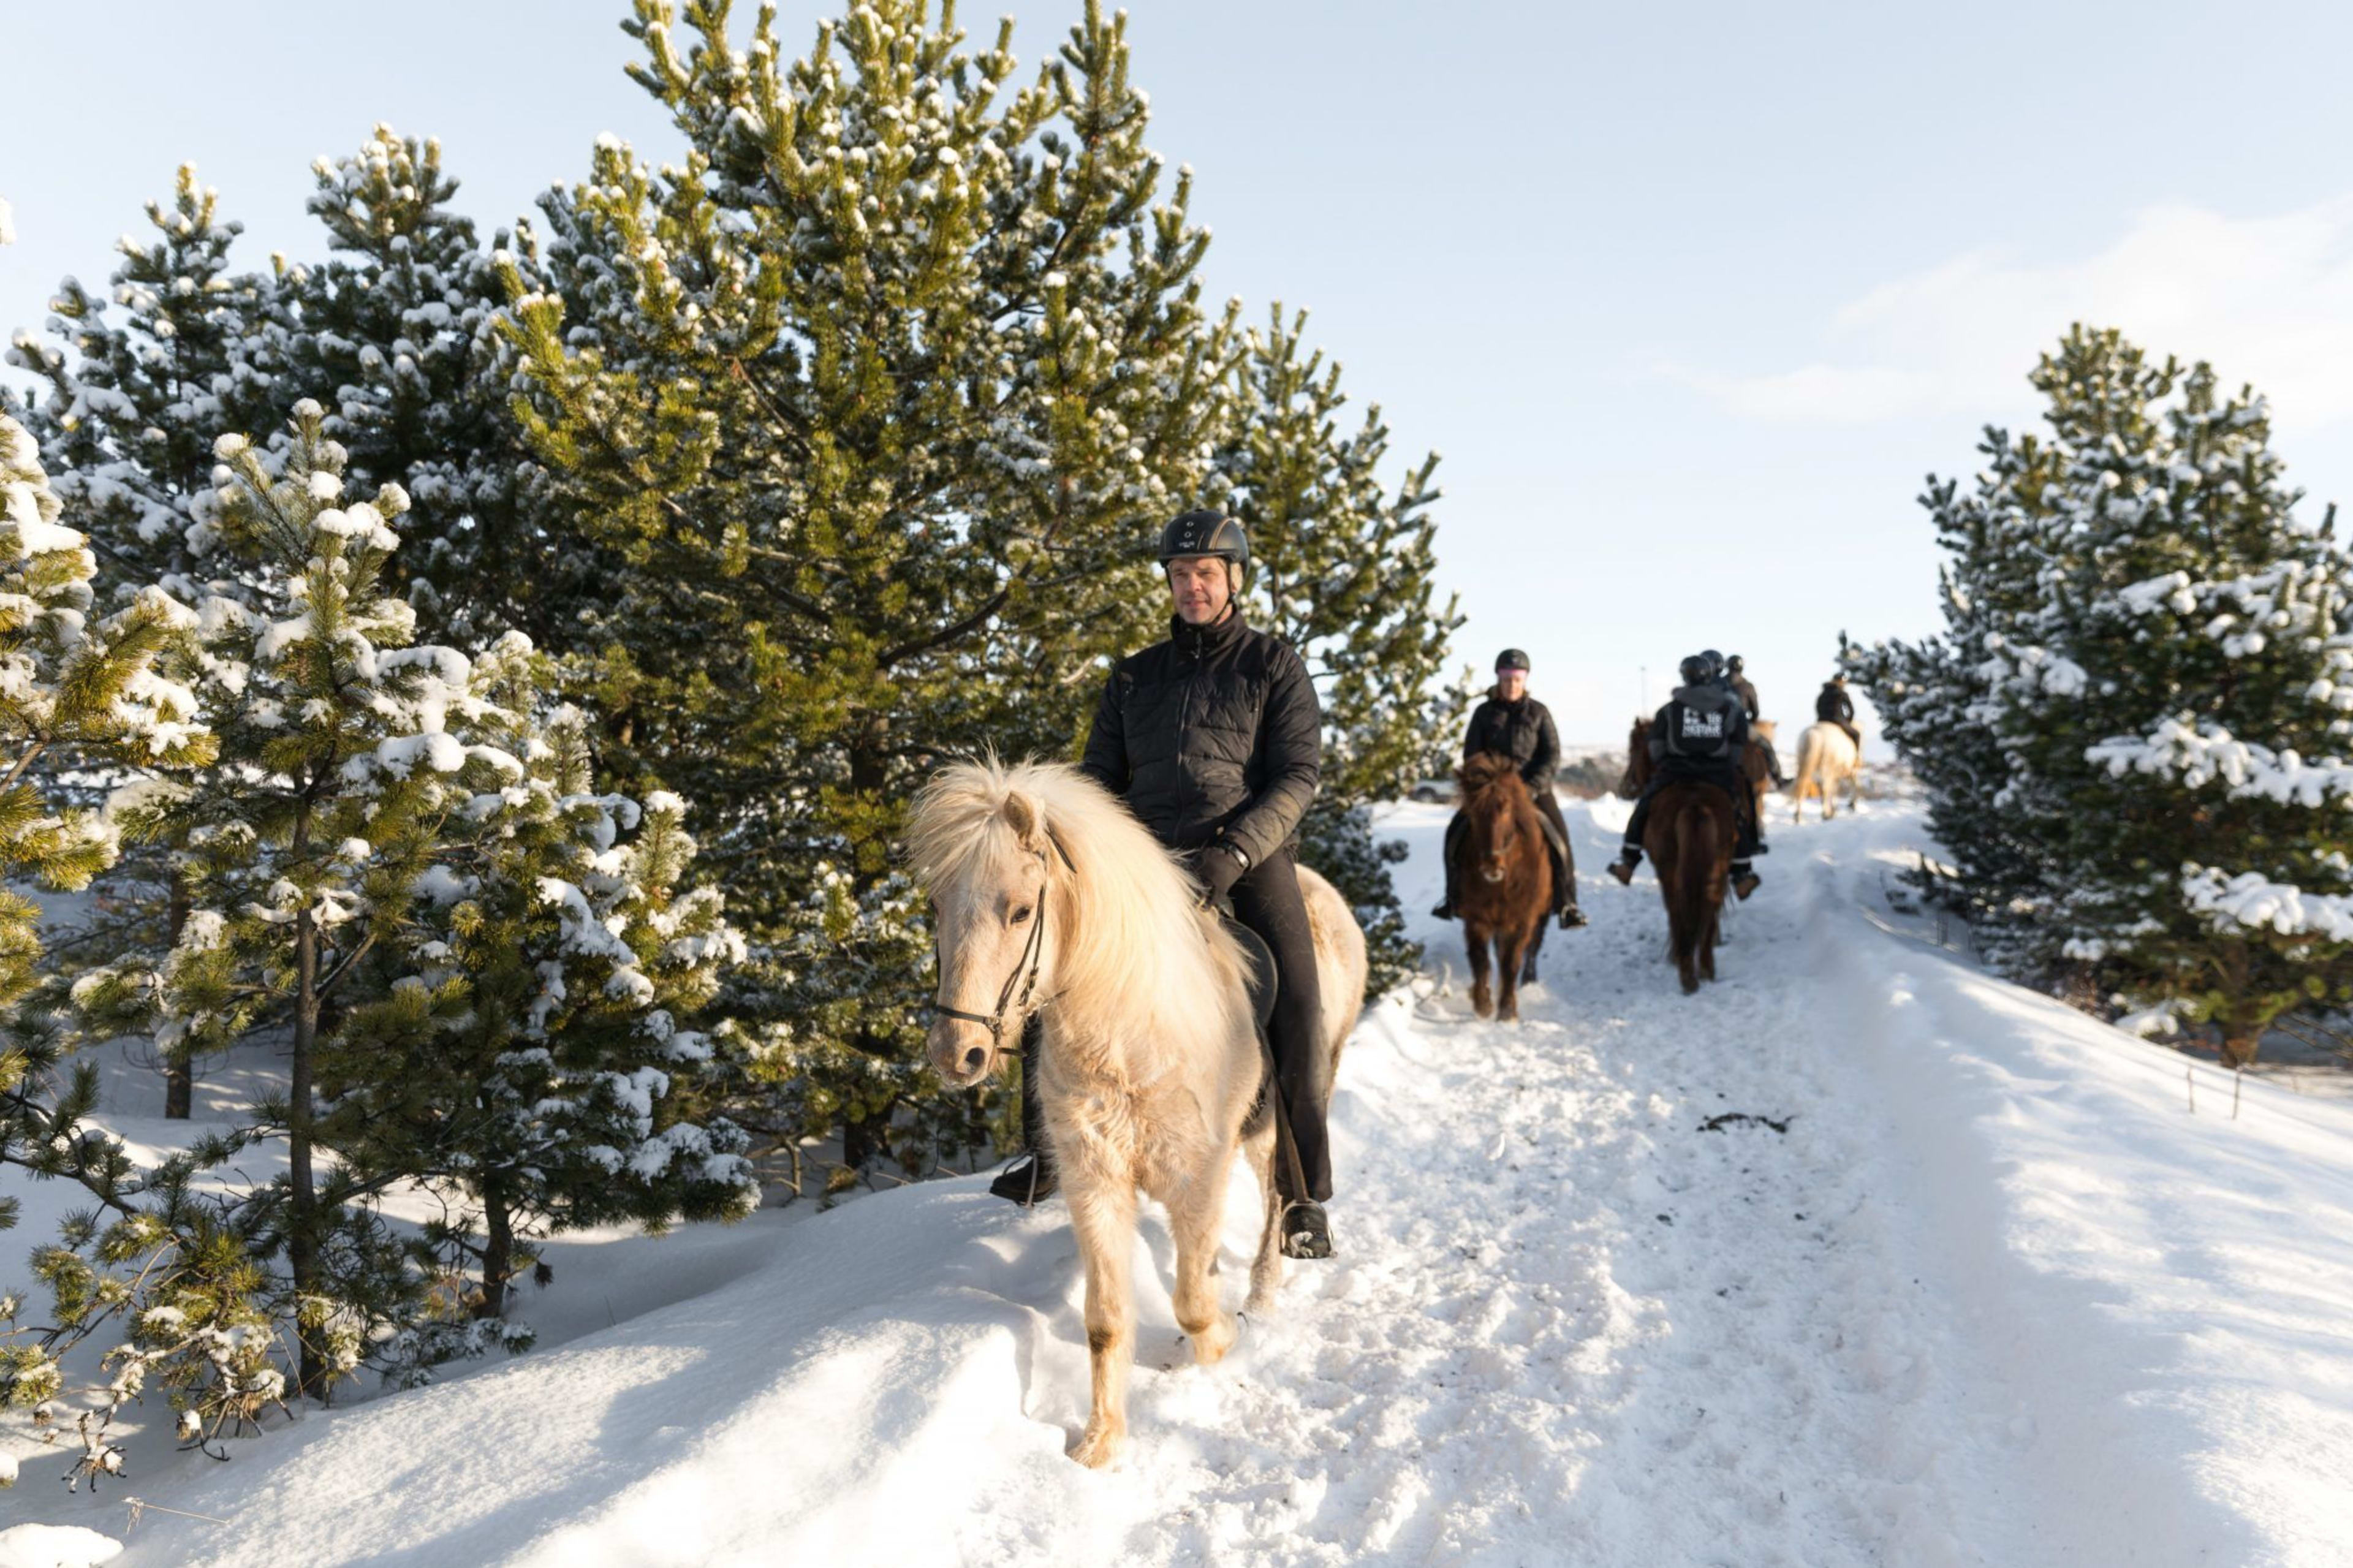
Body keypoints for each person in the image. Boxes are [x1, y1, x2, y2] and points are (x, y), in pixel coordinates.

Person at [990, 509, 1339, 1261]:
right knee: (1056, 976)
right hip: (1142, 865)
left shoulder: (1272, 665)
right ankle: (1044, 1156)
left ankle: (1303, 1193)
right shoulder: (1134, 676)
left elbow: (1298, 777)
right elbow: (1095, 784)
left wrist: (1235, 854)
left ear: (1234, 580)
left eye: (1206, 574)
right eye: (1181, 576)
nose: (1192, 587)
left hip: (1245, 855)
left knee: (1302, 1008)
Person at [1430, 649, 1586, 929]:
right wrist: (1486, 785)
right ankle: (1452, 898)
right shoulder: (1483, 713)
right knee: (1454, 834)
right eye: (1506, 679)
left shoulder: (1539, 712)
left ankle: (1567, 904)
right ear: (1499, 679)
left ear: (1525, 680)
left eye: (1517, 679)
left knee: (1560, 840)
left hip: (1532, 792)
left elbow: (1551, 755)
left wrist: (1532, 786)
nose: (1512, 685)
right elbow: (1471, 756)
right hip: (1491, 795)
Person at [1607, 654, 1763, 900]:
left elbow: (1656, 746)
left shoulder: (1670, 710)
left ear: (1684, 676)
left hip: (1675, 772)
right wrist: (1726, 764)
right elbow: (1738, 742)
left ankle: (1628, 860)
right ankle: (1742, 872)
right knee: (1737, 813)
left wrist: (1668, 763)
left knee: (1644, 806)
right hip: (1717, 773)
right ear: (1711, 676)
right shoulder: (1728, 708)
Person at [1727, 654, 1786, 787]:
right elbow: (1756, 711)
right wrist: (1752, 720)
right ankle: (1778, 777)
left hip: (1720, 726)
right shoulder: (1747, 686)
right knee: (1766, 745)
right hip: (1741, 726)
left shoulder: (1720, 683)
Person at [1816, 673, 1861, 747]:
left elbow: (1818, 706)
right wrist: (1848, 721)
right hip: (1837, 720)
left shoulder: (1824, 693)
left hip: (1821, 720)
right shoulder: (1842, 693)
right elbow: (1851, 711)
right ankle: (1857, 757)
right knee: (1856, 735)